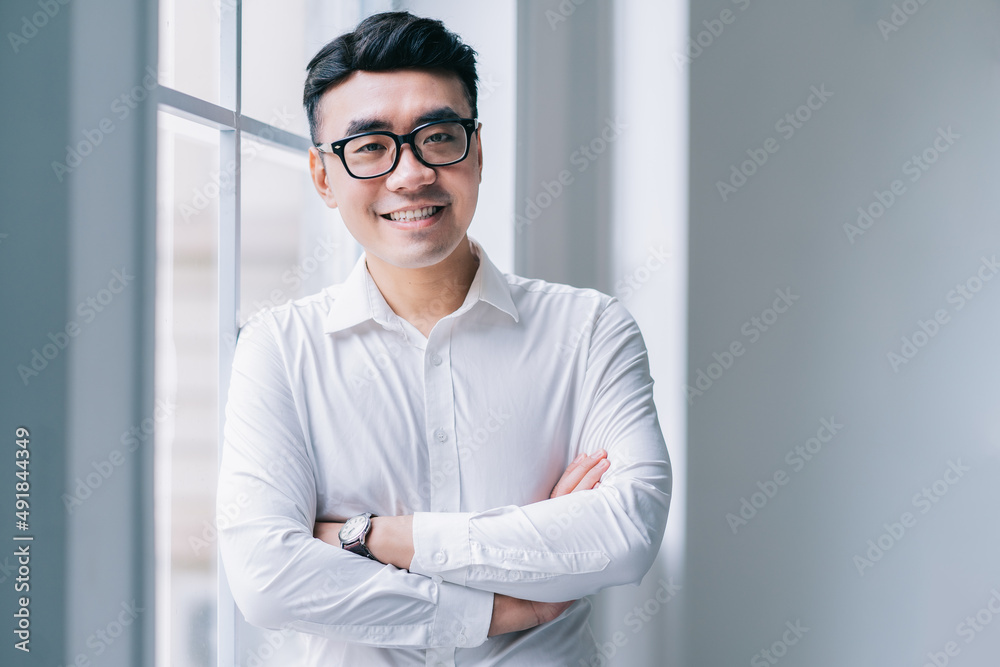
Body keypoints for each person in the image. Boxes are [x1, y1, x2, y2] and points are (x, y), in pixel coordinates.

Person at [217, 11, 671, 666]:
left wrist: (369, 537)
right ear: (323, 177)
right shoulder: (280, 350)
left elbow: (625, 532)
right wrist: (496, 608)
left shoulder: (590, 331)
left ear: (476, 152)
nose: (411, 173)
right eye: (370, 146)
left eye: (438, 136)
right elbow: (265, 576)